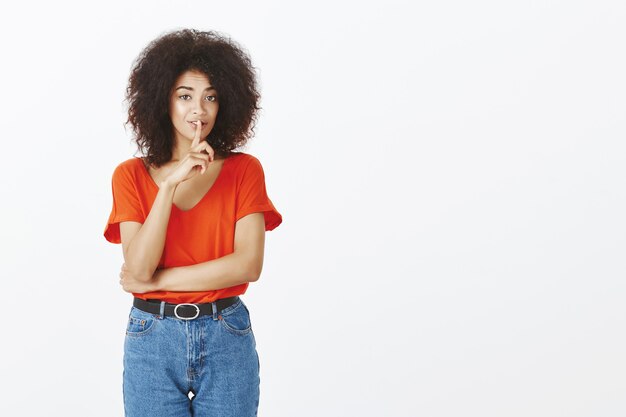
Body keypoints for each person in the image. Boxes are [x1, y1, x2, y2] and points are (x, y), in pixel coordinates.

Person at [103, 28, 282, 417]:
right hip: (151, 338)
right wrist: (167, 186)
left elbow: (247, 265)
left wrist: (156, 283)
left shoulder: (244, 171)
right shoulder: (130, 176)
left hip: (226, 334)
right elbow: (139, 266)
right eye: (185, 96)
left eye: (210, 97)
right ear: (161, 100)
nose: (198, 110)